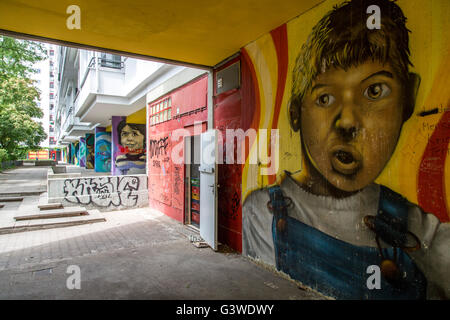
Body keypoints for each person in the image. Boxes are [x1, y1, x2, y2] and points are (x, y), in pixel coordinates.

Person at [243, 0, 449, 299]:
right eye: (325, 98)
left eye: (374, 91)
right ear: (295, 112)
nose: (348, 121)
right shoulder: (264, 213)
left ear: (409, 97)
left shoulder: (415, 226)